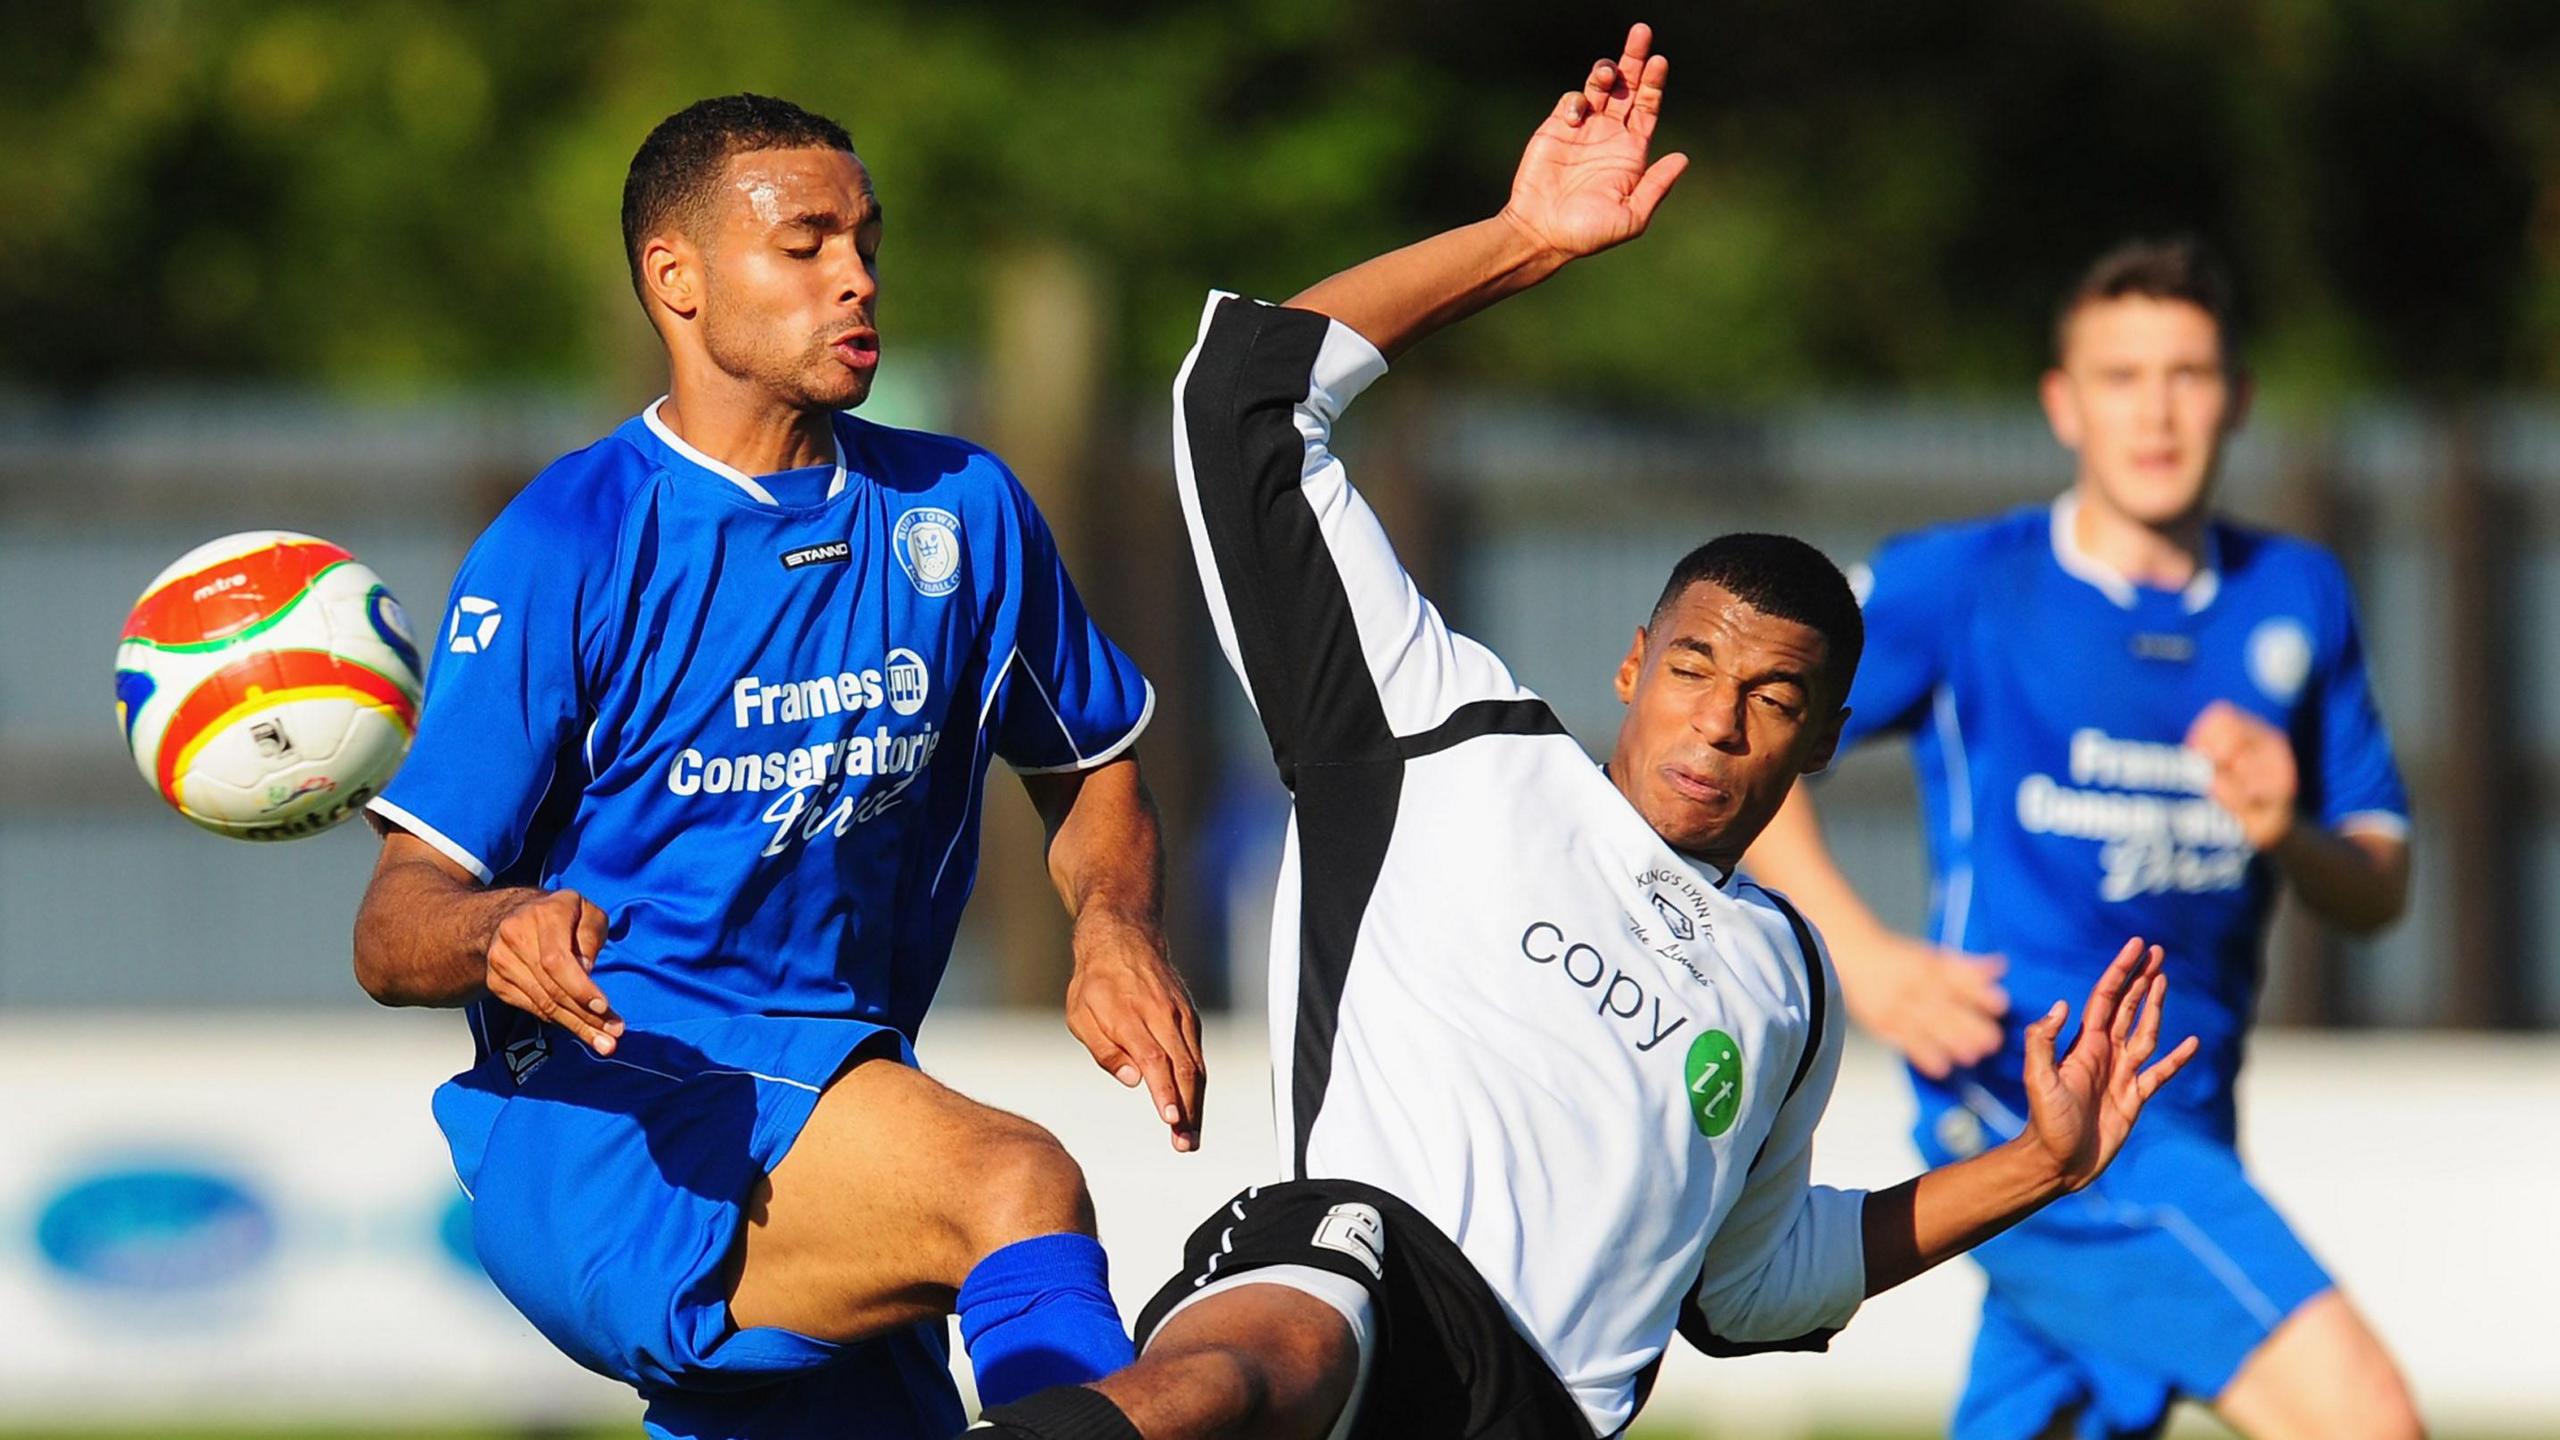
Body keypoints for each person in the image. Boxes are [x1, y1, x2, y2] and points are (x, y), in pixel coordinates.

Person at [964, 27, 2195, 1440]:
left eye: (1773, 701)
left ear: (1823, 739)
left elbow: (1748, 1291)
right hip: (1358, 1288)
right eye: (1691, 667)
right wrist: (1523, 240)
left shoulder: (1784, 985)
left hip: (1537, 1415)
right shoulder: (1447, 738)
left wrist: (2039, 1163)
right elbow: (1242, 402)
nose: (1718, 721)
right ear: (1631, 661)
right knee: (1277, 1339)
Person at [350, 94, 1205, 1440]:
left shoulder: (958, 512)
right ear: (674, 279)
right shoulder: (571, 539)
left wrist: (1110, 923)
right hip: (615, 1128)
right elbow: (395, 928)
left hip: (838, 1107)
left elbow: (1091, 765)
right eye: (804, 244)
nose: (857, 276)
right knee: (1012, 1184)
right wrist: (503, 926)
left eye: (865, 239)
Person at [1745, 235, 2425, 1439]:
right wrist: (1865, 957)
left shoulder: (2296, 596)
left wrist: (2286, 830)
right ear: (2063, 404)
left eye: (2188, 374)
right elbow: (1750, 719)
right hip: (2023, 1100)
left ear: (2239, 399)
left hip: (2185, 1107)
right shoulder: (1968, 584)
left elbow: (2377, 888)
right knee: (2363, 1418)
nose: (2155, 411)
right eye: (2120, 377)